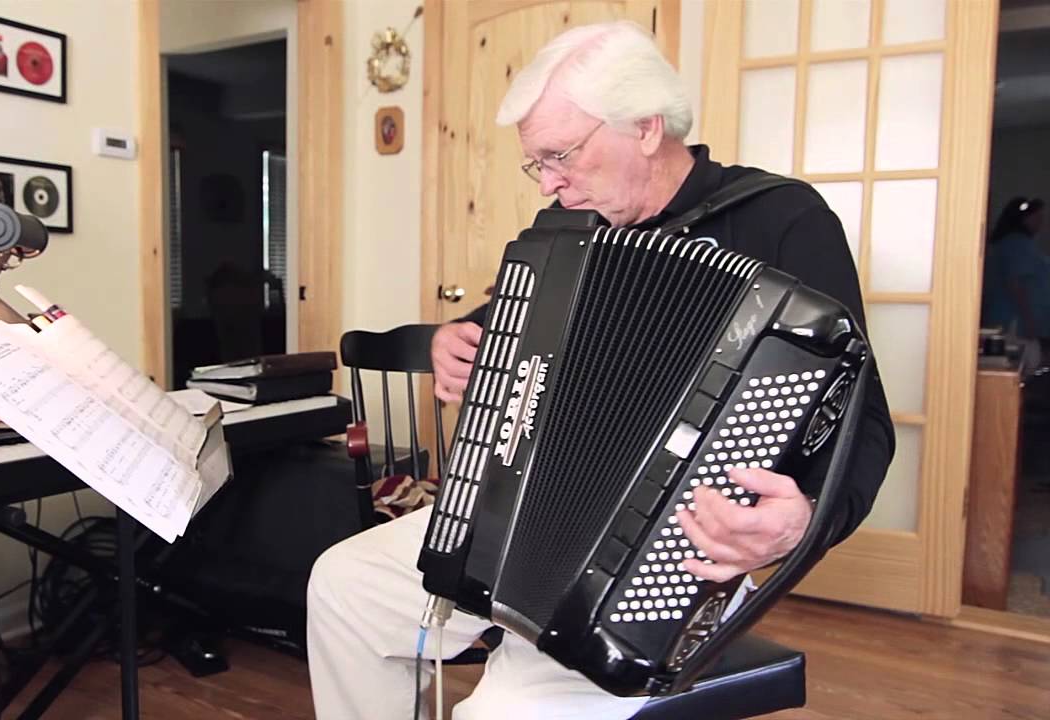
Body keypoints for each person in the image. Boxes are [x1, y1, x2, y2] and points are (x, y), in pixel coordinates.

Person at [307, 20, 894, 720]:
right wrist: (453, 342)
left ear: (646, 127)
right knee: (342, 584)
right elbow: (505, 333)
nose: (550, 182)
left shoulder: (781, 220)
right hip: (521, 518)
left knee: (500, 712)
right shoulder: (563, 237)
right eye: (538, 163)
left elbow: (866, 423)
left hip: (681, 554)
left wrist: (804, 524)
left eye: (561, 155)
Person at [980, 197, 1049, 351]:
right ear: (1023, 219)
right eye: (1037, 217)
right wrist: (1029, 320)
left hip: (1014, 320)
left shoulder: (1013, 244)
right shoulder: (1016, 244)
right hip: (1015, 323)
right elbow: (1015, 283)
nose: (1040, 222)